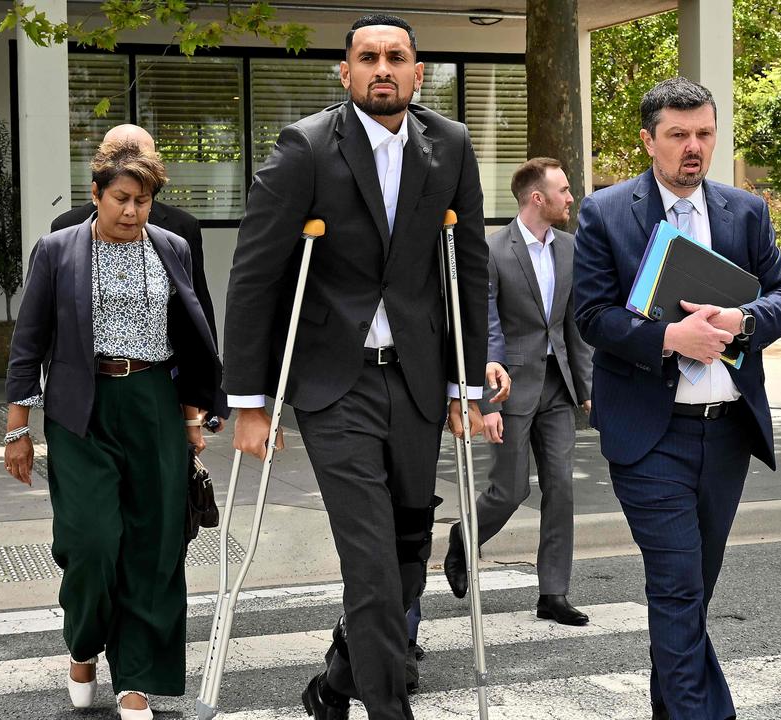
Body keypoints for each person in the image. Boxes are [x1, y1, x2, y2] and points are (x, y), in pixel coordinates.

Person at [221, 13, 487, 720]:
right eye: (367, 57)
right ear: (345, 72)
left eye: (396, 57)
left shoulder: (451, 146)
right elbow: (254, 275)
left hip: (418, 378)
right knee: (370, 564)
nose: (382, 68)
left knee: (406, 553)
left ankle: (336, 681)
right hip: (335, 385)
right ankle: (387, 709)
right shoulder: (306, 148)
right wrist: (250, 401)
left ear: (417, 71)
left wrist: (466, 384)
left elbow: (468, 268)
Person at [573, 77, 781, 720]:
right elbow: (590, 316)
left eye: (703, 133)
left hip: (727, 434)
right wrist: (668, 336)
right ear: (649, 141)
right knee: (675, 589)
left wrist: (741, 321)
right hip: (649, 436)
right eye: (677, 135)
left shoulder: (744, 211)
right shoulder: (605, 212)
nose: (693, 147)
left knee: (692, 596)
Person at [3, 139, 222, 720]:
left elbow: (193, 332)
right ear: (95, 195)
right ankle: (83, 643)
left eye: (143, 201)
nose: (131, 211)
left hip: (153, 402)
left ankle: (135, 680)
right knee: (92, 543)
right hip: (82, 408)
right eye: (121, 199)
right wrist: (17, 427)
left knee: (154, 549)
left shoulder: (172, 247)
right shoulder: (57, 250)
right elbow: (28, 341)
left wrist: (194, 417)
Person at [443, 157, 594, 626]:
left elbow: (575, 326)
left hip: (558, 387)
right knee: (509, 490)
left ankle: (553, 593)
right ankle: (465, 537)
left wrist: (587, 389)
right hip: (509, 388)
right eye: (563, 190)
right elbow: (486, 329)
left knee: (562, 487)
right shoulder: (493, 251)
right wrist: (486, 402)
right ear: (537, 198)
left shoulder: (571, 248)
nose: (570, 198)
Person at [51, 124, 220, 352]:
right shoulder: (67, 228)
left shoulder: (181, 228)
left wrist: (208, 378)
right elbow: (51, 316)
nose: (131, 164)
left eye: (141, 157)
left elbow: (196, 306)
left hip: (161, 372)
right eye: (119, 154)